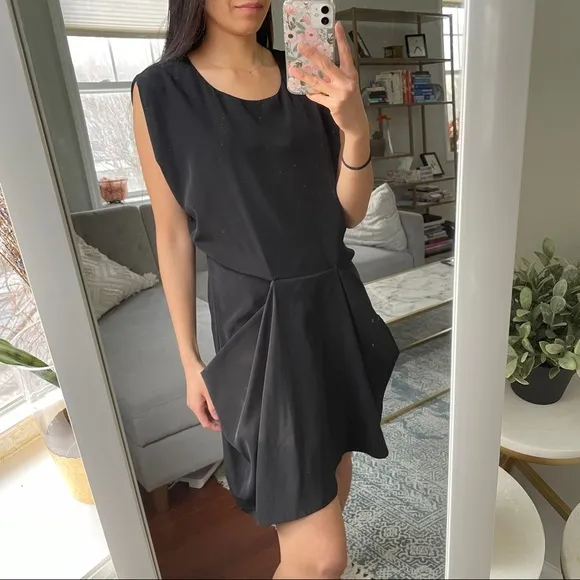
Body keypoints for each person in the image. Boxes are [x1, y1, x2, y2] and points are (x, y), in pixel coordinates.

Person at [132, 0, 399, 577]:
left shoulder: (308, 73)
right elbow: (172, 233)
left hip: (332, 303)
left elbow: (348, 214)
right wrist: (189, 359)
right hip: (258, 323)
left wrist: (355, 128)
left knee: (332, 490)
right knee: (321, 558)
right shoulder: (160, 91)